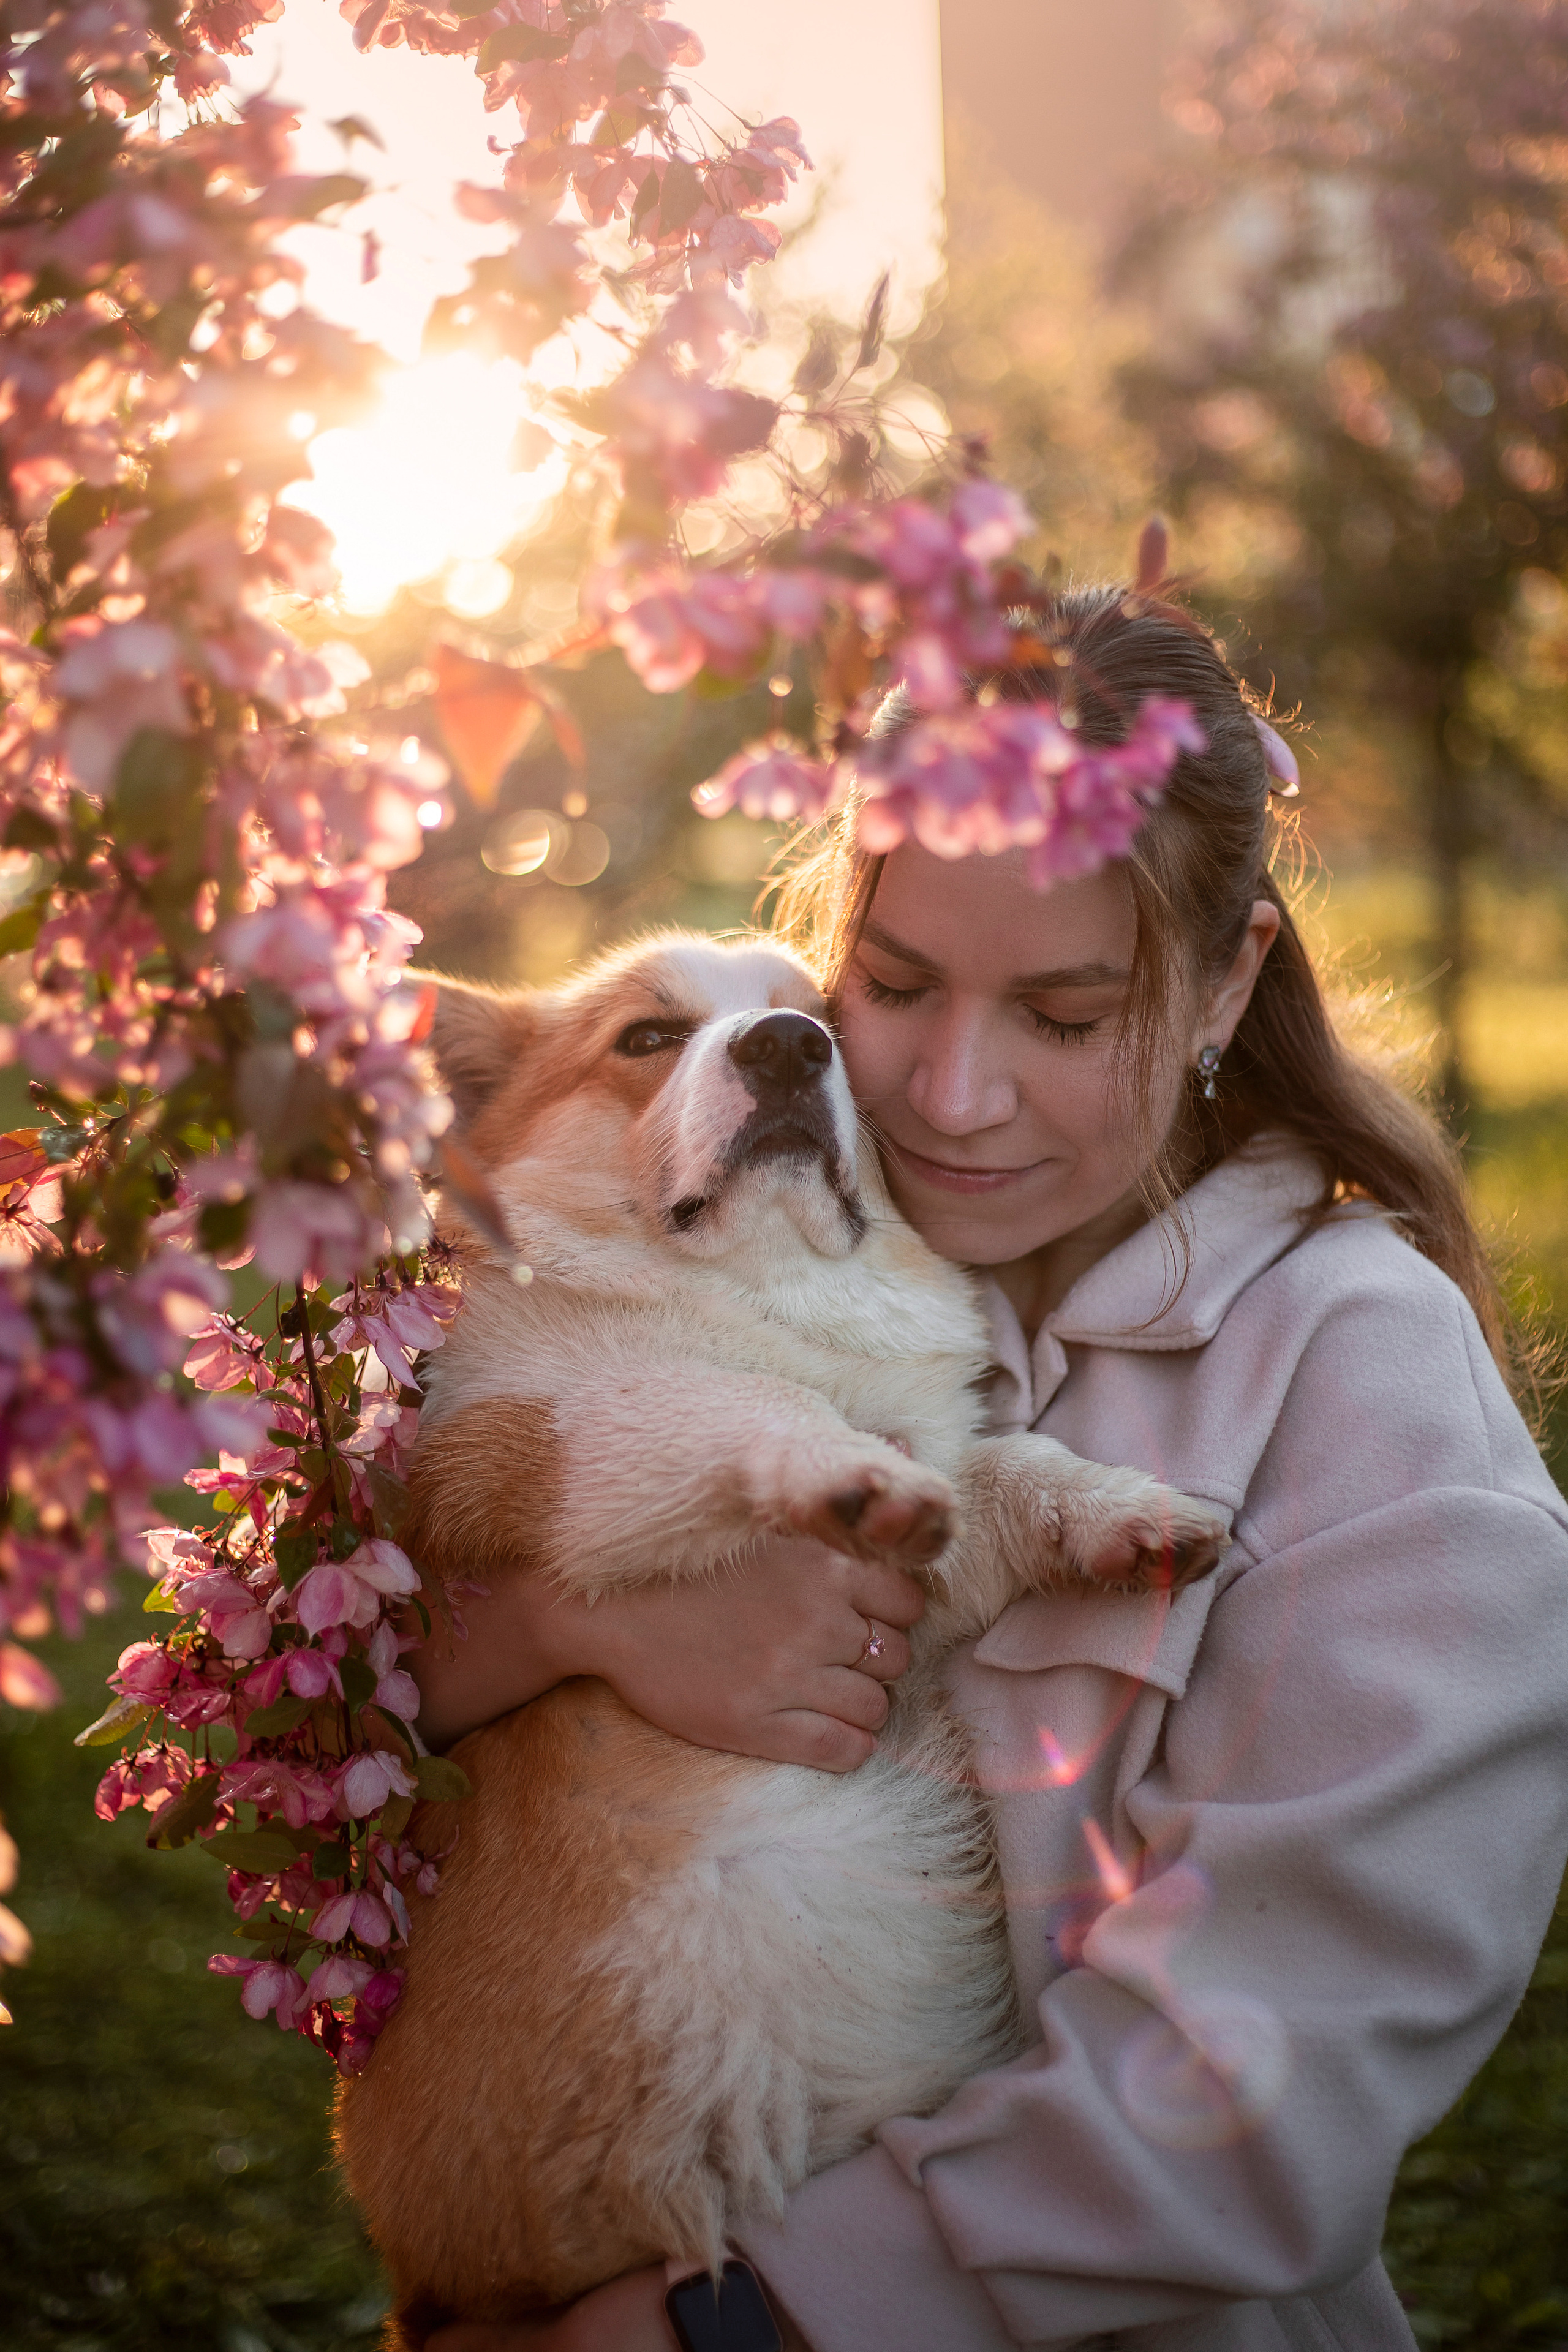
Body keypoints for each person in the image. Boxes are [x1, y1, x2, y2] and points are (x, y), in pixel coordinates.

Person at [413, 587, 1568, 2352]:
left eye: (1063, 1012)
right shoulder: (728, 1275)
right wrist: (571, 1635)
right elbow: (298, 1722)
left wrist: (717, 2332)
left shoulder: (1366, 1385)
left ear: (1226, 980)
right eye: (895, 987)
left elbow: (1263, 2082)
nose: (953, 1093)